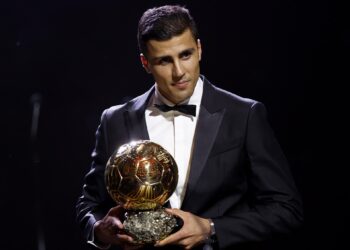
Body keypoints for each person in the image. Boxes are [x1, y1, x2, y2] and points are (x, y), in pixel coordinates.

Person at [76, 5, 303, 250]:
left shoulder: (244, 114)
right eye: (164, 61)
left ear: (199, 49)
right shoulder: (114, 120)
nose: (179, 72)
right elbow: (89, 205)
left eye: (185, 55)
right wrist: (100, 230)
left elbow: (285, 209)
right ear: (145, 63)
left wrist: (211, 228)